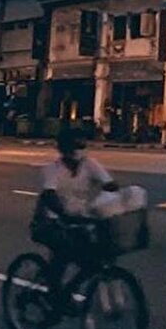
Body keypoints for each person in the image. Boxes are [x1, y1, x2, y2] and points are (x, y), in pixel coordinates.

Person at [36, 127, 118, 299]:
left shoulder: (89, 164)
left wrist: (113, 194)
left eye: (80, 146)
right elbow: (49, 194)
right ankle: (54, 294)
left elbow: (109, 183)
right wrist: (63, 213)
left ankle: (67, 292)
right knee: (64, 252)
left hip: (79, 221)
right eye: (73, 147)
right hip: (51, 221)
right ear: (63, 149)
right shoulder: (52, 169)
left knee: (92, 259)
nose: (77, 151)